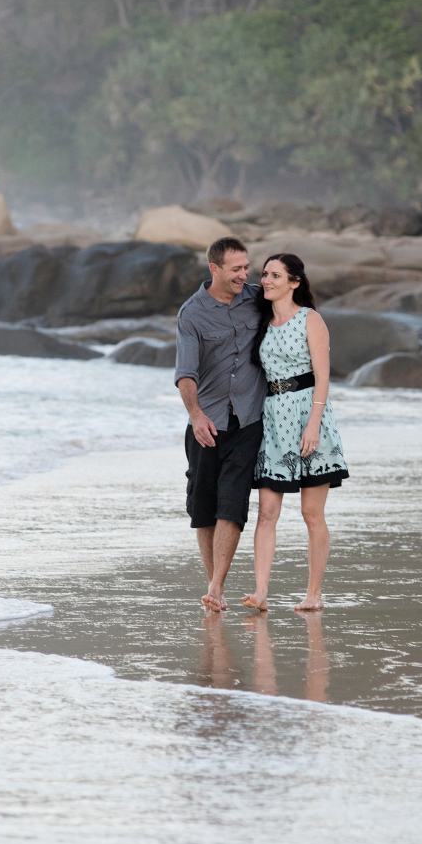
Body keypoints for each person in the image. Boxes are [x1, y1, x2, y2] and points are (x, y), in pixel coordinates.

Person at [242, 253, 348, 613]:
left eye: (274, 275)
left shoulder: (310, 319)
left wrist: (314, 426)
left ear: (295, 282)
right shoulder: (261, 321)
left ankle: (314, 594)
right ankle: (260, 593)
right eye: (264, 274)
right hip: (273, 421)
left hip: (308, 418)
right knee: (267, 512)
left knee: (311, 514)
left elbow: (323, 376)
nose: (266, 280)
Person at [175, 236, 266, 611]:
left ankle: (216, 588)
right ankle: (215, 586)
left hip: (248, 419)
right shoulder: (192, 313)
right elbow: (185, 374)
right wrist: (196, 416)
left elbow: (298, 310)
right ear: (214, 269)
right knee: (203, 506)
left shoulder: (258, 298)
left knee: (233, 503)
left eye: (247, 267)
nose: (244, 275)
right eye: (236, 269)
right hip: (207, 422)